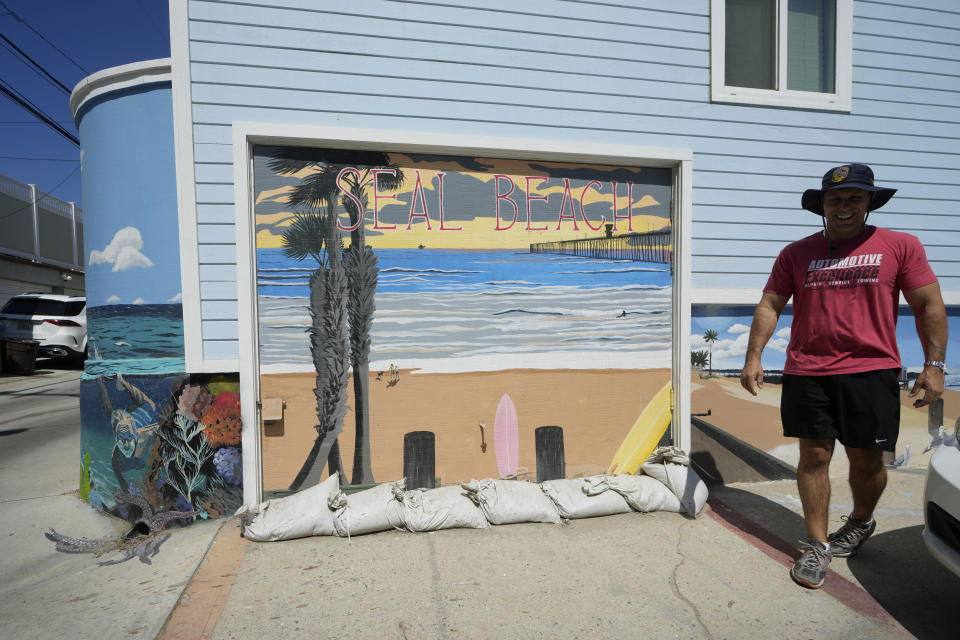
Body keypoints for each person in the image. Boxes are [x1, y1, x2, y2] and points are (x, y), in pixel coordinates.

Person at [739, 164, 947, 589]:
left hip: (870, 371)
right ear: (822, 205)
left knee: (866, 462)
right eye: (836, 199)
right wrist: (753, 356)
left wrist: (935, 365)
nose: (845, 206)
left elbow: (929, 305)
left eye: (855, 197)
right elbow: (770, 305)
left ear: (869, 201)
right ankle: (817, 545)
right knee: (813, 456)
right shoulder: (795, 253)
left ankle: (860, 520)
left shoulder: (900, 246)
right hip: (807, 371)